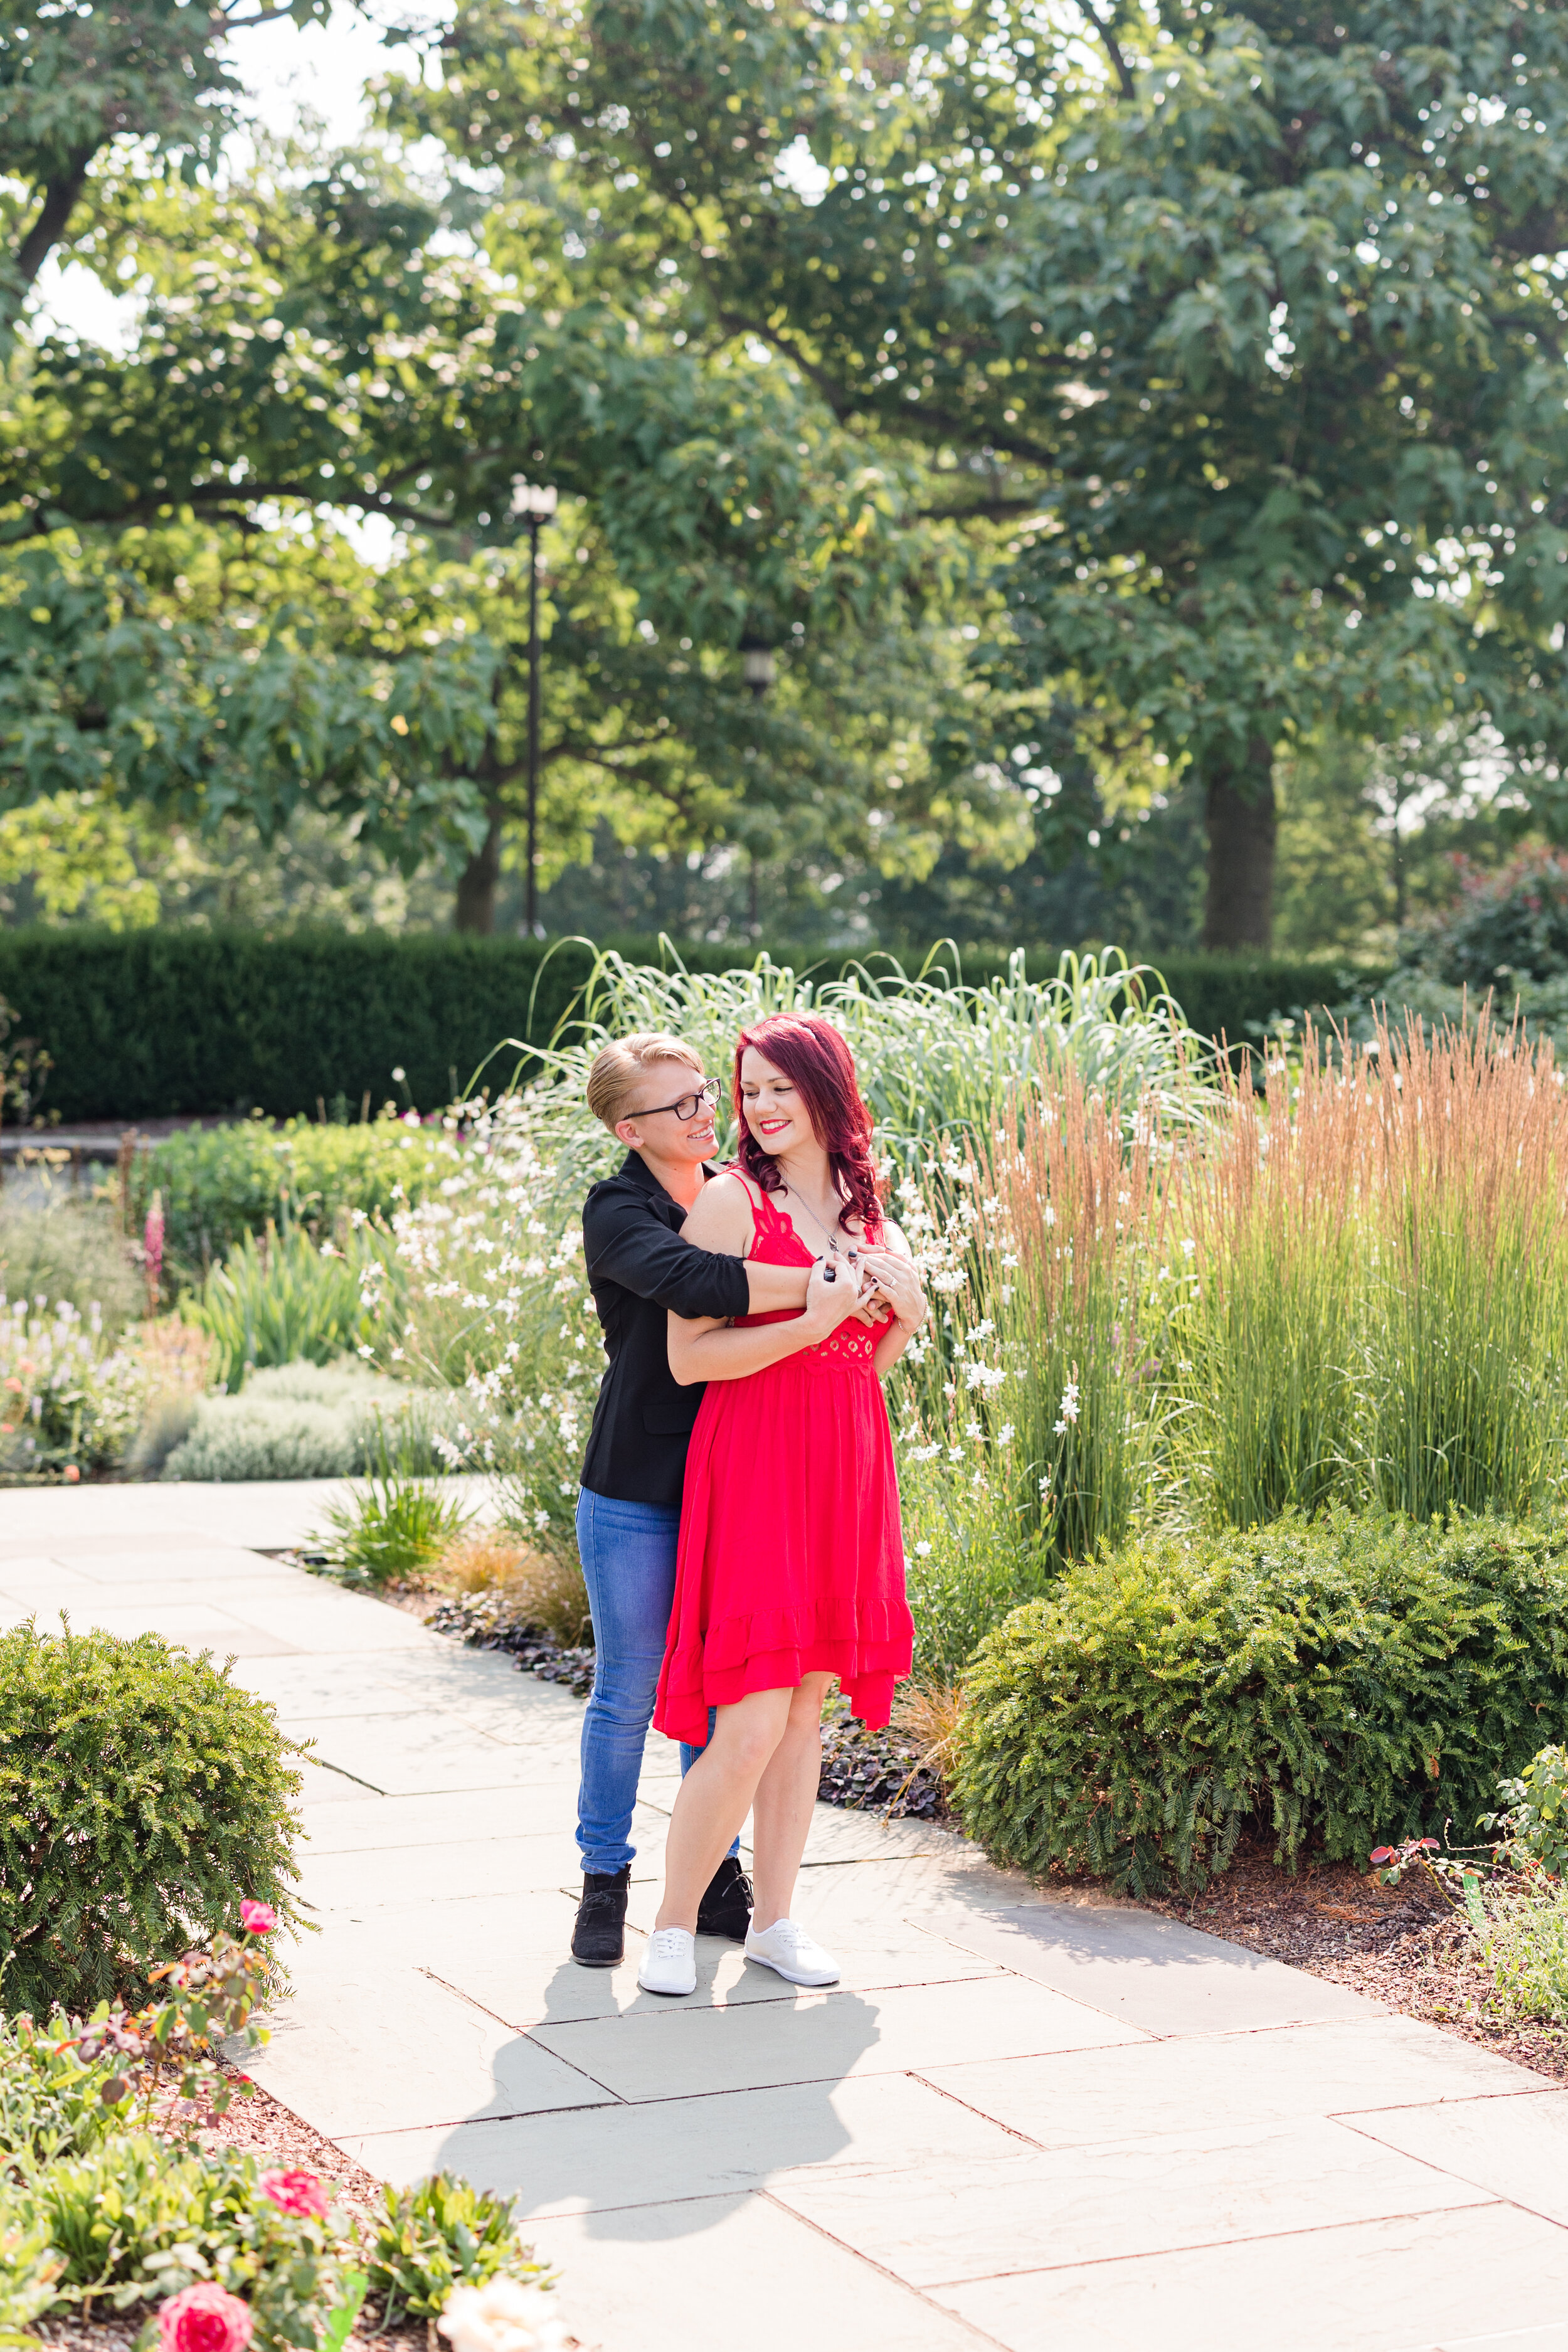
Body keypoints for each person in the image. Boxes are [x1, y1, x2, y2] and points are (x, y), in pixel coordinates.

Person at [637, 1013, 928, 1998]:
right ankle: (673, 1924)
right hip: (757, 1463)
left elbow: (861, 1366)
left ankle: (776, 1920)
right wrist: (811, 1319)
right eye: (747, 1088)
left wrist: (906, 1321)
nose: (757, 1107)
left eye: (776, 1088)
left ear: (824, 1090)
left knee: (806, 1711)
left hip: (843, 1462)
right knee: (753, 1719)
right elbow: (690, 1359)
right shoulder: (728, 1203)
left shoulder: (858, 1208)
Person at [571, 1030, 874, 1969]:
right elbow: (695, 1283)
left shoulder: (762, 1187)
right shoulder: (621, 1208)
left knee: (731, 1697)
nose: (712, 1111)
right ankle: (605, 1879)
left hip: (749, 1474)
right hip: (645, 1482)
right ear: (631, 1128)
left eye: (709, 1094)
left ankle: (719, 1882)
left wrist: (863, 1282)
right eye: (685, 1104)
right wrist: (837, 1282)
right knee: (631, 1689)